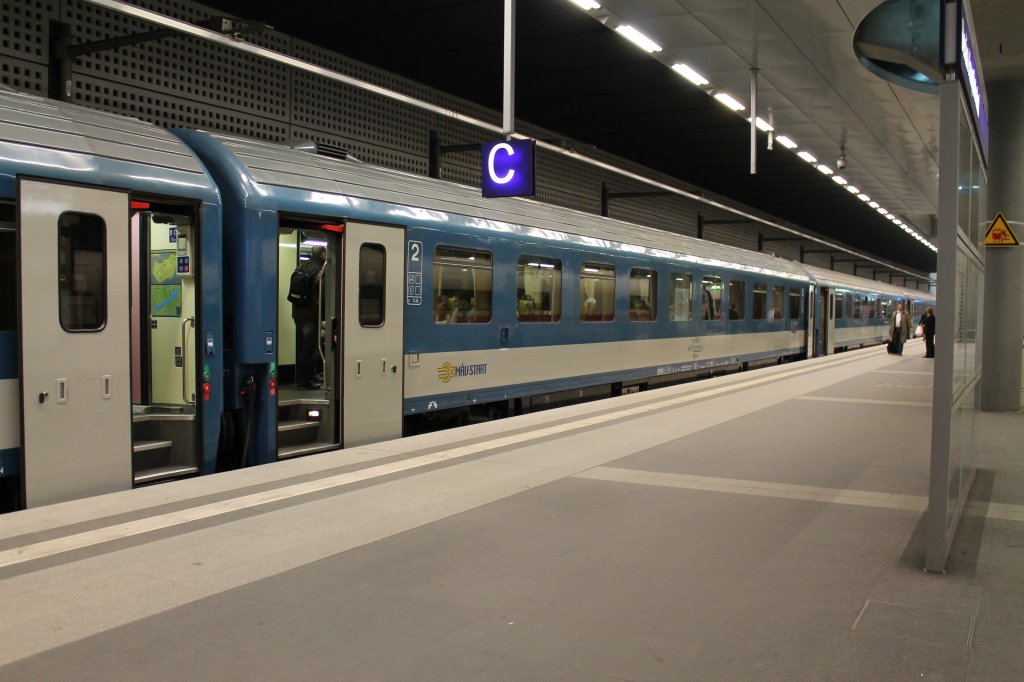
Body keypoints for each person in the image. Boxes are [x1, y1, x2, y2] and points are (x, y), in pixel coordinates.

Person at [291, 245, 326, 388]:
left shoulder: (301, 267)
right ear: (323, 254)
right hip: (311, 314)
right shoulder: (321, 270)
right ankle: (306, 381)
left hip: (297, 313)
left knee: (301, 347)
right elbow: (323, 293)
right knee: (309, 349)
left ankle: (301, 379)